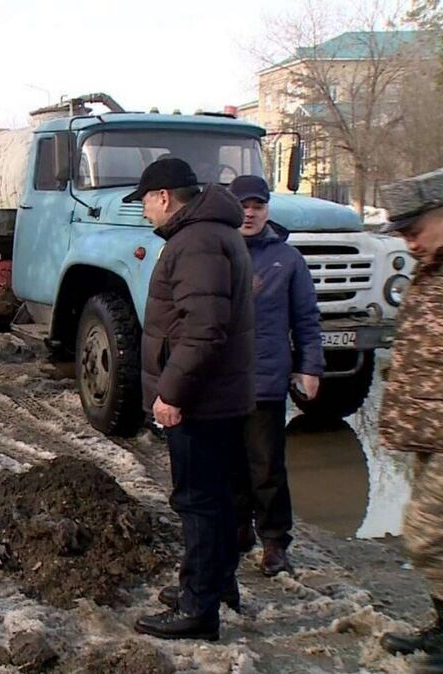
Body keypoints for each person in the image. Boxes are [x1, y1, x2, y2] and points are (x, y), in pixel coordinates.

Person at [126, 157, 256, 641]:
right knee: (218, 498)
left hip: (201, 398)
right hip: (219, 394)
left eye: (144, 202)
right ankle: (215, 584)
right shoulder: (212, 233)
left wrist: (171, 391)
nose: (144, 213)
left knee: (197, 501)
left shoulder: (196, 241)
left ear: (163, 197)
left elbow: (203, 329)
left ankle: (198, 609)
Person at [374, 166, 443, 674]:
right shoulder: (441, 265)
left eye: (413, 231)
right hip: (437, 433)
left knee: (431, 532)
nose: (407, 242)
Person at [227, 174, 324, 577]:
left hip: (265, 379)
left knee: (266, 465)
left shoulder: (288, 259)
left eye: (258, 206)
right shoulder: (217, 252)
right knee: (227, 464)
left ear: (267, 210)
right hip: (220, 381)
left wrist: (310, 366)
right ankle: (236, 529)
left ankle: (273, 542)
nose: (250, 213)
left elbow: (306, 318)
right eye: (243, 206)